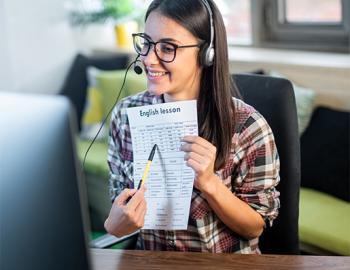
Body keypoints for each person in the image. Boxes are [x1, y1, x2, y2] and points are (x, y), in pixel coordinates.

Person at [104, 0, 280, 253]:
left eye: (167, 47)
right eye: (146, 43)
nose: (148, 59)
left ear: (206, 53)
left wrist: (209, 183)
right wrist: (115, 224)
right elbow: (119, 211)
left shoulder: (248, 126)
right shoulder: (126, 115)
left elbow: (254, 227)